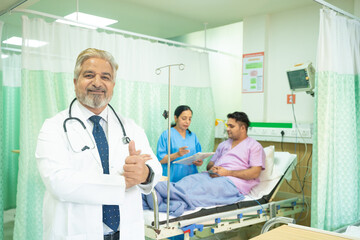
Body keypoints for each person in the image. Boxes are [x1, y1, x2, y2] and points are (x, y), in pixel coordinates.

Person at [36, 48, 162, 240]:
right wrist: (123, 182)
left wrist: (145, 173)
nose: (97, 82)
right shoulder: (53, 127)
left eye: (105, 77)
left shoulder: (131, 127)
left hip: (126, 232)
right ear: (75, 81)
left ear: (112, 84)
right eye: (89, 75)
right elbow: (58, 181)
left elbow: (154, 166)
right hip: (76, 232)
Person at [143, 111, 265, 217]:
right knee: (188, 181)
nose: (227, 128)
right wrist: (214, 169)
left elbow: (255, 172)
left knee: (202, 190)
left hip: (231, 183)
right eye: (227, 125)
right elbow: (210, 164)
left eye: (231, 126)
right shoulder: (223, 145)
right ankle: (158, 192)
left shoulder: (254, 146)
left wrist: (226, 172)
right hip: (210, 175)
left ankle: (160, 196)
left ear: (242, 128)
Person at [156, 105, 203, 182]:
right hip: (172, 179)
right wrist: (177, 154)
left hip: (191, 178)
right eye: (184, 118)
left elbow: (198, 156)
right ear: (176, 118)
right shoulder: (167, 134)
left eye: (190, 119)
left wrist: (199, 162)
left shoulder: (192, 136)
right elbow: (160, 159)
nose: (187, 122)